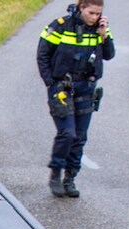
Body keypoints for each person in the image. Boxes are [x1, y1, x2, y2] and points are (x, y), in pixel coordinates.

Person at [36, 0, 114, 198]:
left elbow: (109, 55)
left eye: (98, 13)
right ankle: (56, 173)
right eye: (91, 13)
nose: (95, 17)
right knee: (67, 133)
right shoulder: (60, 26)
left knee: (79, 137)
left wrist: (104, 36)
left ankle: (70, 178)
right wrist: (50, 83)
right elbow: (43, 54)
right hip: (62, 88)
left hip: (86, 89)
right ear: (81, 8)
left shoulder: (101, 29)